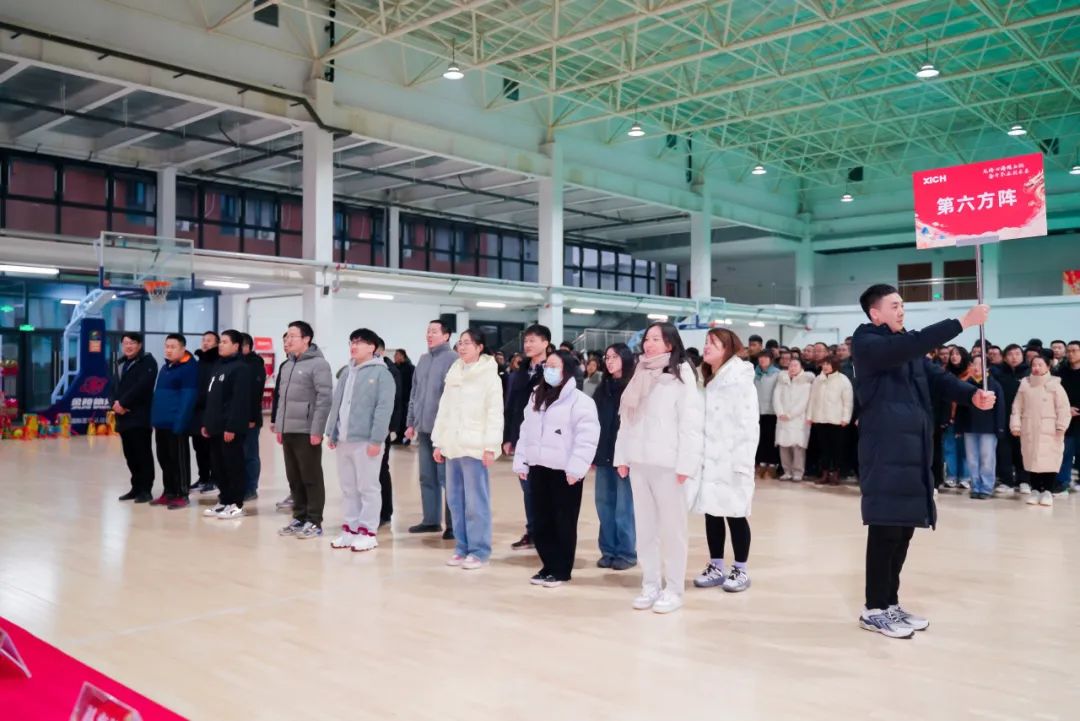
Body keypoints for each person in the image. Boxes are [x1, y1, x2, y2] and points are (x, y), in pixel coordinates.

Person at [852, 284, 995, 639]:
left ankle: (890, 602)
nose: (901, 310)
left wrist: (972, 395)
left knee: (903, 529)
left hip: (913, 451)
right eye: (894, 305)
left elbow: (939, 379)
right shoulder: (868, 343)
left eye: (902, 304)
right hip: (885, 449)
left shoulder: (907, 347)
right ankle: (874, 609)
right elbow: (908, 346)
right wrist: (962, 322)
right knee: (885, 529)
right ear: (875, 313)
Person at [614, 322, 704, 615]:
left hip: (668, 464)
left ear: (670, 344)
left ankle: (674, 588)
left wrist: (687, 463)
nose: (649, 344)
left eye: (656, 339)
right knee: (645, 528)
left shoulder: (681, 375)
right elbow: (627, 420)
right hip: (639, 461)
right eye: (647, 339)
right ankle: (650, 583)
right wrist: (622, 456)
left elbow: (691, 423)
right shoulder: (640, 372)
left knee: (673, 530)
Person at [513, 350, 600, 588]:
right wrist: (521, 460)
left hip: (565, 471)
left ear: (567, 370)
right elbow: (526, 431)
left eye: (554, 366)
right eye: (546, 366)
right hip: (538, 466)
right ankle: (548, 566)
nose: (548, 370)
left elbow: (587, 438)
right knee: (541, 520)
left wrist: (577, 469)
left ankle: (561, 570)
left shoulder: (581, 401)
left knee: (563, 521)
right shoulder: (536, 395)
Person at [431, 329, 504, 570]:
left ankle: (479, 550)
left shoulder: (489, 375)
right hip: (453, 445)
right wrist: (439, 442)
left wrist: (490, 446)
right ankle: (461, 547)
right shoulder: (454, 372)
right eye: (460, 343)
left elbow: (494, 413)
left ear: (479, 347)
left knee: (476, 502)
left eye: (467, 343)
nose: (462, 347)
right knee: (455, 500)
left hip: (475, 447)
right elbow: (444, 410)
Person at [692, 329, 758, 593]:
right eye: (706, 342)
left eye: (713, 343)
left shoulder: (739, 379)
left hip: (732, 458)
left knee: (736, 514)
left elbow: (749, 423)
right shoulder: (705, 377)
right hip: (710, 457)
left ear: (727, 348)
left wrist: (743, 461)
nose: (706, 347)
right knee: (712, 512)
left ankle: (740, 569)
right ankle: (716, 565)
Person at [322, 329, 396, 550]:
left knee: (368, 487)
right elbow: (337, 403)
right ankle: (350, 529)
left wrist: (376, 440)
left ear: (372, 347)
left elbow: (384, 409)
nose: (354, 346)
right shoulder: (347, 372)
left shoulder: (382, 374)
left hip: (366, 441)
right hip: (344, 439)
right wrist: (332, 432)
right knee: (348, 488)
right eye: (352, 342)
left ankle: (368, 531)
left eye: (360, 342)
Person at [274, 321, 333, 539]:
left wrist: (317, 430)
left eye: (293, 336)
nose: (288, 340)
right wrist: (279, 426)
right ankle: (299, 517)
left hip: (307, 430)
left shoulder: (319, 364)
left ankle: (314, 521)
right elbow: (282, 399)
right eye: (287, 336)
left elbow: (324, 399)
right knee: (294, 477)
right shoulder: (287, 365)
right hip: (288, 429)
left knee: (311, 476)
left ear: (306, 339)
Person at [406, 319, 458, 537]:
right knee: (427, 477)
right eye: (428, 331)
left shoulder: (454, 359)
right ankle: (431, 520)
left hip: (443, 432)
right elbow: (414, 393)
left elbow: (454, 397)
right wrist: (411, 422)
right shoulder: (423, 359)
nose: (429, 335)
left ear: (446, 336)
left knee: (447, 479)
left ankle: (453, 525)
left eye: (434, 331)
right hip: (424, 428)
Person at [502, 323, 551, 551]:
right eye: (526, 341)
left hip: (545, 439)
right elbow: (511, 405)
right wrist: (508, 437)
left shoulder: (552, 370)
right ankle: (532, 532)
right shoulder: (519, 372)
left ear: (545, 343)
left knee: (543, 490)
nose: (528, 344)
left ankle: (545, 533)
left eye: (533, 340)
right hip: (523, 438)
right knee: (527, 488)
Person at [592, 343, 637, 571]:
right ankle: (608, 550)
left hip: (624, 458)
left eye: (615, 357)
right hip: (604, 454)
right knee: (604, 504)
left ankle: (626, 553)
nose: (609, 361)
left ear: (625, 359)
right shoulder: (602, 388)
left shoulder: (633, 387)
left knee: (623, 507)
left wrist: (628, 456)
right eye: (607, 357)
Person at [200, 330, 253, 520]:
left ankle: (236, 504)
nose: (220, 345)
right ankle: (224, 500)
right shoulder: (219, 366)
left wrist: (232, 427)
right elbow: (212, 399)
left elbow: (239, 401)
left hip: (229, 429)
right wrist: (206, 423)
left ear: (236, 346)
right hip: (215, 427)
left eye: (224, 342)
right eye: (220, 342)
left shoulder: (241, 368)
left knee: (233, 466)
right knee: (218, 466)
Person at [1012, 354, 1071, 507]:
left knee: (1049, 461)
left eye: (1040, 365)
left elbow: (1063, 409)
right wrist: (1016, 425)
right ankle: (1035, 490)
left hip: (1050, 431)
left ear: (1048, 367)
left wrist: (1061, 426)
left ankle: (1048, 492)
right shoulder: (1025, 385)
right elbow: (1017, 407)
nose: (1036, 368)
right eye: (1034, 365)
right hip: (1029, 428)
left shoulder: (1055, 385)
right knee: (1032, 460)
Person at [149, 334, 198, 509]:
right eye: (167, 346)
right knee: (164, 459)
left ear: (183, 349)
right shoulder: (165, 368)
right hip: (161, 423)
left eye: (173, 347)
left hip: (176, 424)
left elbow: (188, 397)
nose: (168, 350)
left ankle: (182, 494)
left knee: (179, 461)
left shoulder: (189, 368)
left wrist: (180, 422)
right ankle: (168, 492)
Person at [111, 332, 158, 503]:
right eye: (125, 343)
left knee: (142, 454)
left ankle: (146, 490)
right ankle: (136, 487)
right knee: (130, 455)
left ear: (139, 345)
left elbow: (142, 387)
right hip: (123, 417)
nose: (128, 346)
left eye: (132, 343)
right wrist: (114, 403)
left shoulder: (148, 362)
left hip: (139, 416)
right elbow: (113, 386)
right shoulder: (121, 363)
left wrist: (123, 403)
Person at [956, 356, 1005, 500]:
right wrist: (959, 427)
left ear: (987, 367)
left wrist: (1000, 428)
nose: (976, 367)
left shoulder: (994, 384)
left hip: (988, 428)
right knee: (972, 459)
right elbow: (960, 409)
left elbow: (1000, 408)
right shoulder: (967, 385)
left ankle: (986, 487)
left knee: (987, 459)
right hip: (969, 427)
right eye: (974, 364)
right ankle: (975, 486)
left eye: (980, 364)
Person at [807, 354, 854, 486]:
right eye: (824, 364)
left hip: (837, 420)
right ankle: (825, 473)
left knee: (837, 449)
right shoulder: (818, 379)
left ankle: (836, 474)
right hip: (820, 418)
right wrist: (810, 416)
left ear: (835, 365)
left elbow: (848, 401)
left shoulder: (843, 380)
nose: (826, 367)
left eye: (828, 364)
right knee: (824, 448)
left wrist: (846, 418)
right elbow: (812, 399)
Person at [991, 344, 1030, 494]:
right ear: (1005, 357)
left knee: (1023, 450)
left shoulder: (1029, 373)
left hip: (1024, 419)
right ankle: (1006, 481)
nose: (1014, 357)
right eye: (1010, 354)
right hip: (1003, 417)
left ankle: (1024, 480)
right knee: (1004, 451)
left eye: (1017, 354)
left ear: (1022, 355)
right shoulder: (998, 374)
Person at [773, 357, 814, 481]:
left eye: (796, 365)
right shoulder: (782, 381)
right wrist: (780, 412)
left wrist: (790, 415)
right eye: (791, 365)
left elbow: (803, 402)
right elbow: (776, 398)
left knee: (797, 447)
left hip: (798, 419)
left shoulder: (806, 383)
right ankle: (787, 471)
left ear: (801, 367)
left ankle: (798, 472)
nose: (792, 368)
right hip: (782, 418)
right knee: (783, 446)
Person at [190, 331, 220, 495]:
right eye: (203, 340)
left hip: (210, 411)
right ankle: (203, 478)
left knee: (211, 449)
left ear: (217, 343)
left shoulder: (218, 362)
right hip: (197, 412)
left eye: (209, 340)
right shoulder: (198, 362)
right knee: (199, 448)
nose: (205, 343)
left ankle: (214, 479)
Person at [376, 337, 402, 526]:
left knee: (381, 469)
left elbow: (395, 400)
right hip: (366, 429)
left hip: (383, 427)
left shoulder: (390, 371)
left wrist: (391, 427)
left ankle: (385, 511)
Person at [240, 333, 267, 502]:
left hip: (250, 418)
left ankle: (251, 488)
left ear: (248, 347)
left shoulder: (255, 364)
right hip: (234, 418)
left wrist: (252, 418)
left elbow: (255, 394)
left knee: (250, 454)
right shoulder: (233, 363)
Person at [941, 347, 973, 490]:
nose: (954, 356)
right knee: (950, 448)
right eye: (952, 354)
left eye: (957, 354)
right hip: (949, 417)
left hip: (965, 416)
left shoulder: (971, 373)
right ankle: (951, 476)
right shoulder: (944, 373)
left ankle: (965, 477)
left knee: (965, 449)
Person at [1055, 341, 1080, 492]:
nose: (1071, 354)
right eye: (1069, 351)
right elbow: (1055, 395)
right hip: (1066, 419)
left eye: (1074, 351)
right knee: (1065, 452)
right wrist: (1066, 409)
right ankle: (1062, 482)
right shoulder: (1061, 373)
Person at [754, 352, 781, 477]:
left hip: (772, 411)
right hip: (758, 410)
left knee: (771, 438)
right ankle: (762, 462)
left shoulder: (777, 373)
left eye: (765, 357)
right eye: (760, 357)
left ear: (771, 360)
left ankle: (772, 464)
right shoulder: (755, 373)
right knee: (760, 438)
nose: (762, 360)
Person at [392, 349, 415, 445]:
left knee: (405, 419)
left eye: (397, 355)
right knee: (398, 419)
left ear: (402, 356)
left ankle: (406, 439)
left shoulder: (410, 368)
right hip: (397, 398)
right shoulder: (394, 367)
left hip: (406, 398)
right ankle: (398, 437)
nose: (395, 357)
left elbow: (414, 383)